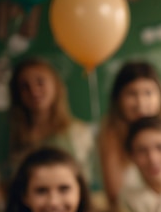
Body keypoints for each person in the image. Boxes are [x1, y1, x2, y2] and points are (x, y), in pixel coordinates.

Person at [8, 57, 97, 185]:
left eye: (40, 82)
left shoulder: (78, 132)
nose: (33, 91)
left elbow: (85, 182)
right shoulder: (13, 135)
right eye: (24, 86)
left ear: (55, 85)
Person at [98, 61, 161, 212]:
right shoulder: (110, 136)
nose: (141, 103)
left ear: (160, 95)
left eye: (148, 93)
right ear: (118, 99)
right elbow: (115, 198)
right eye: (132, 94)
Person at [117, 116, 161, 212]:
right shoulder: (128, 200)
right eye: (142, 151)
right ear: (132, 156)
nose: (152, 159)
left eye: (160, 147)